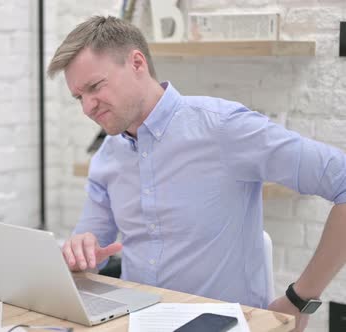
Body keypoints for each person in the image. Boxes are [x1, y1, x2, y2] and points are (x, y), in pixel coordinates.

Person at [47, 16, 346, 331]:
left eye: (94, 87)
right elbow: (91, 249)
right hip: (134, 323)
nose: (87, 108)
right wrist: (80, 252)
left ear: (137, 63)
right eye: (79, 97)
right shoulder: (107, 155)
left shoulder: (224, 128)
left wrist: (300, 299)